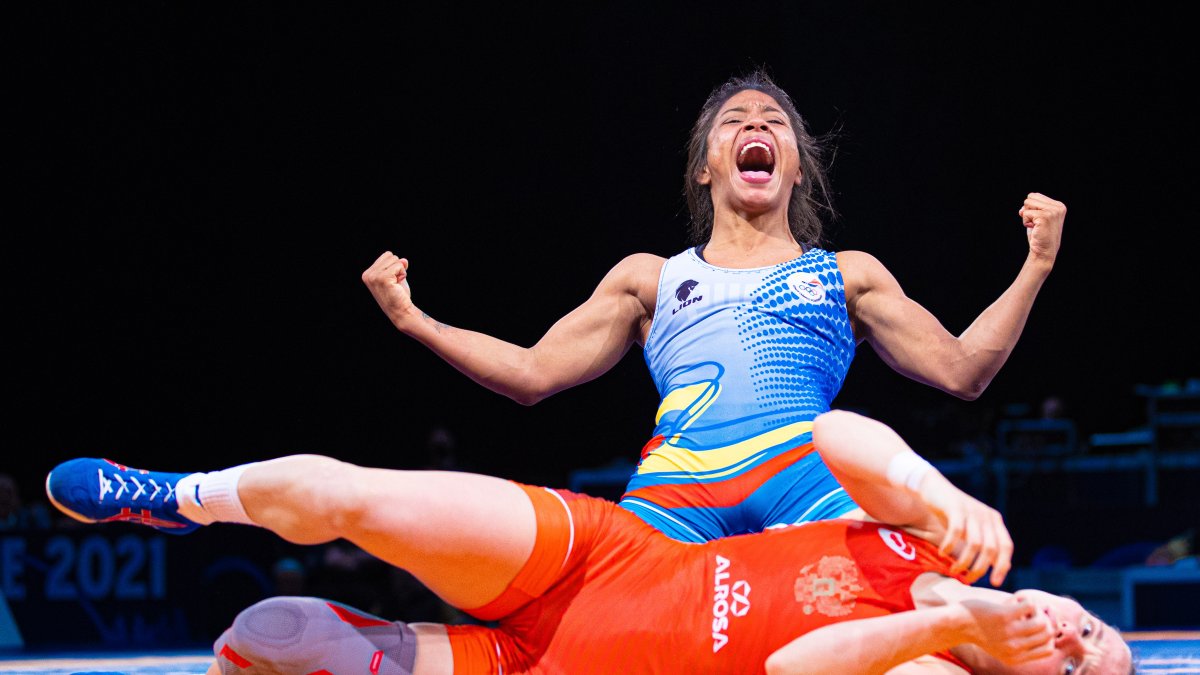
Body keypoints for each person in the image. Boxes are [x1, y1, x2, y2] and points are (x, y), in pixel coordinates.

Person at [361, 69, 1068, 542]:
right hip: (674, 501)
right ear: (707, 165)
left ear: (795, 164)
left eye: (774, 122)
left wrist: (1036, 266)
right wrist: (413, 319)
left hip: (812, 498)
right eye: (734, 121)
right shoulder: (649, 280)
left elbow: (963, 369)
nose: (755, 124)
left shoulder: (847, 276)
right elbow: (530, 372)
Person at [45, 411, 1130, 674]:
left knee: (265, 629)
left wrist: (943, 626)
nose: (1081, 635)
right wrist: (942, 496)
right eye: (1095, 631)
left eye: (1081, 664)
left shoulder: (929, 653)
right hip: (606, 557)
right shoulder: (943, 544)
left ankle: (374, 638)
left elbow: (796, 666)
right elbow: (838, 434)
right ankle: (177, 493)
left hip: (554, 664)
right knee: (361, 500)